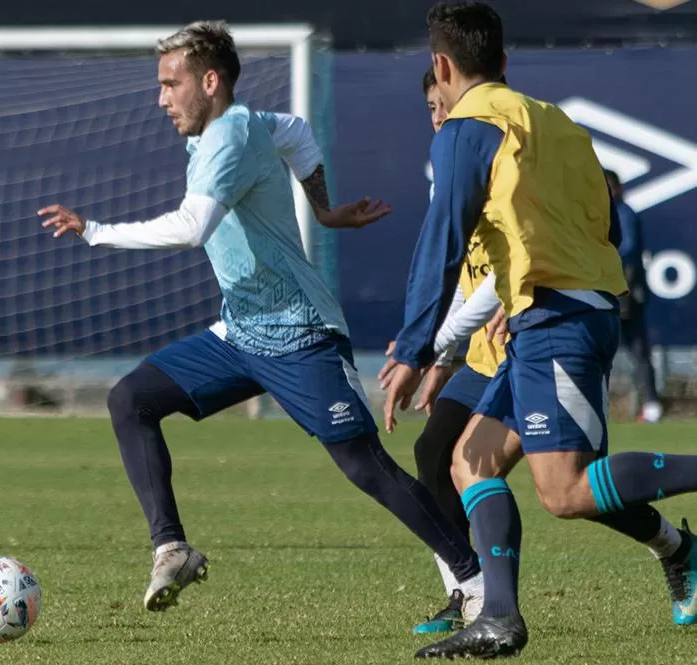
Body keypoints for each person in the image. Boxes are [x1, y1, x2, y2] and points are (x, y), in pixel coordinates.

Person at [39, 19, 488, 616]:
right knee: (131, 400)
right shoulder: (243, 126)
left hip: (300, 333)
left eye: (171, 84)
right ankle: (171, 545)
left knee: (366, 468)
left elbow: (192, 226)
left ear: (210, 80)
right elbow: (297, 133)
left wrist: (96, 232)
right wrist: (324, 213)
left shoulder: (228, 136)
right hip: (242, 333)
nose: (161, 98)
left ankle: (475, 580)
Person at [381, 2, 697, 658]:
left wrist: (416, 347)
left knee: (567, 489)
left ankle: (684, 548)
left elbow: (441, 240)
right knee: (473, 460)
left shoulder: (465, 129)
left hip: (559, 318)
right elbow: (603, 224)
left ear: (441, 66)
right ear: (503, 60)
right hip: (554, 310)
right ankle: (498, 613)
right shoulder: (555, 121)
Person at [390, 66, 505, 635]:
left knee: (576, 488)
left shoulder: (498, 150)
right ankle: (469, 592)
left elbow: (497, 277)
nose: (439, 117)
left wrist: (433, 346)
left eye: (444, 105)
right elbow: (462, 273)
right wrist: (445, 360)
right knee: (435, 455)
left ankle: (673, 545)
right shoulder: (448, 171)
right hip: (481, 355)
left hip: (530, 342)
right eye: (431, 110)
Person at [604, 169, 663, 423]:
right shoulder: (600, 213)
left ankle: (651, 405)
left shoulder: (623, 213)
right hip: (610, 291)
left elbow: (626, 249)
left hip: (625, 293)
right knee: (601, 349)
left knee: (638, 349)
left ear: (618, 188)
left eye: (609, 186)